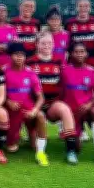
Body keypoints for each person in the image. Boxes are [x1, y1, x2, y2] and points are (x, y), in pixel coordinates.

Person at [27, 31, 80, 164]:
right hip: (35, 106)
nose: (47, 46)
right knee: (33, 146)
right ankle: (33, 136)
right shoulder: (29, 62)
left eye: (49, 43)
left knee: (64, 109)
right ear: (37, 44)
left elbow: (65, 82)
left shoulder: (59, 61)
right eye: (43, 43)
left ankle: (71, 151)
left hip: (52, 104)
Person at [4, 43, 49, 166]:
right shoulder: (4, 71)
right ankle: (13, 136)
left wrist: (34, 110)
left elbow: (41, 98)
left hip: (28, 110)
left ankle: (41, 152)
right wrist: (8, 101)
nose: (19, 57)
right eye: (16, 54)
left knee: (40, 116)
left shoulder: (30, 72)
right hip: (12, 111)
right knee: (11, 148)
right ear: (10, 56)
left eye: (22, 55)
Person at [61, 42, 94, 164]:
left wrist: (89, 104)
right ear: (71, 54)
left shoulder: (93, 72)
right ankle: (72, 147)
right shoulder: (64, 71)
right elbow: (60, 92)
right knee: (77, 148)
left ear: (86, 54)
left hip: (87, 109)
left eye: (82, 52)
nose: (79, 54)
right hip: (71, 112)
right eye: (76, 52)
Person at [66, 0, 94, 69]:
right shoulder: (69, 23)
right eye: (80, 6)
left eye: (86, 6)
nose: (83, 8)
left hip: (92, 60)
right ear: (76, 8)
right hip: (74, 60)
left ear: (90, 8)